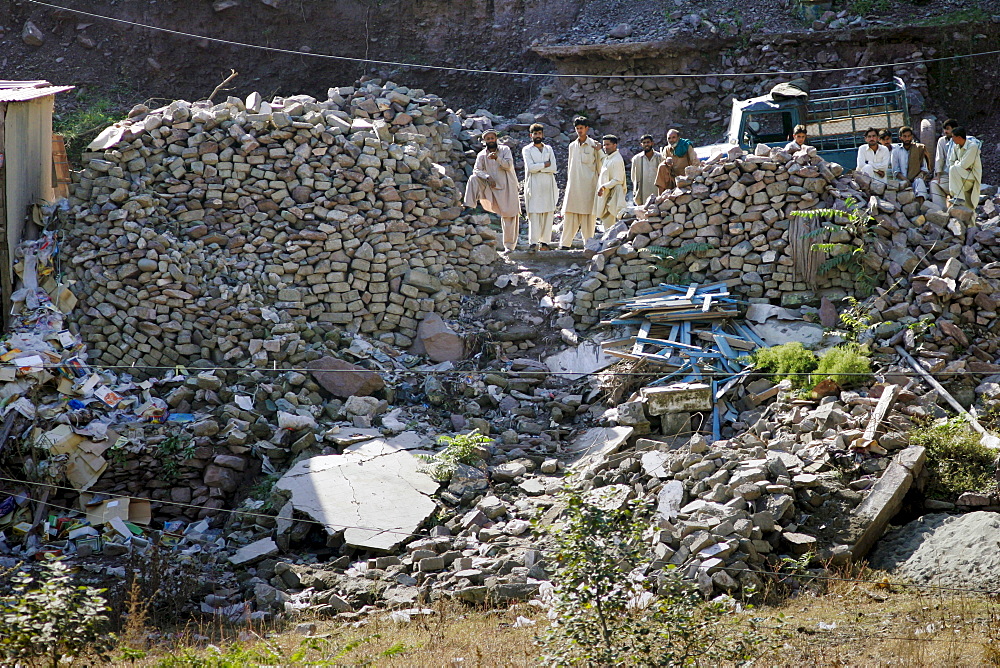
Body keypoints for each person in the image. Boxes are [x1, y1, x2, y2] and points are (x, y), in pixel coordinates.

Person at [464, 129, 521, 252]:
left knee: (510, 215)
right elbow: (476, 170)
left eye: (492, 138)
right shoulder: (482, 155)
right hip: (490, 186)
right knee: (473, 178)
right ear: (485, 141)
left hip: (507, 186)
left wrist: (497, 158)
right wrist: (487, 177)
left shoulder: (505, 150)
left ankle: (509, 247)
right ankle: (468, 206)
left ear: (496, 138)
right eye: (488, 139)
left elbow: (508, 165)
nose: (491, 140)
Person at [560, 116, 602, 249]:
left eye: (581, 128)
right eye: (577, 128)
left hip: (590, 186)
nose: (579, 131)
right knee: (570, 215)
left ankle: (589, 245)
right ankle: (565, 244)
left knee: (589, 218)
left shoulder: (595, 145)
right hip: (574, 187)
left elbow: (601, 166)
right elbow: (570, 167)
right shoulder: (572, 146)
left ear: (587, 129)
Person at [521, 123, 558, 251]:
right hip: (534, 184)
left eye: (539, 133)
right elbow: (531, 168)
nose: (538, 136)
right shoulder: (527, 149)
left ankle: (545, 243)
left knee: (548, 213)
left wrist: (540, 167)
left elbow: (554, 167)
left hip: (548, 185)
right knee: (535, 214)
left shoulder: (549, 149)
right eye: (535, 133)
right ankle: (533, 243)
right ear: (531, 135)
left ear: (543, 135)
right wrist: (545, 165)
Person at [891, 126, 932, 203]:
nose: (907, 139)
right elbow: (895, 171)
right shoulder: (896, 151)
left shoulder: (918, 148)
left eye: (909, 136)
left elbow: (924, 168)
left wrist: (918, 176)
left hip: (915, 179)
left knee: (919, 182)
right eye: (905, 136)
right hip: (901, 180)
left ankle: (921, 207)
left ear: (912, 137)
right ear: (900, 138)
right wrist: (906, 180)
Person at [593, 135, 626, 232]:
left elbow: (618, 180)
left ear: (615, 145)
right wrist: (599, 150)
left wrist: (604, 186)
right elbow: (603, 160)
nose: (605, 147)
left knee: (611, 227)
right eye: (604, 145)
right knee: (607, 226)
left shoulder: (617, 160)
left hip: (612, 198)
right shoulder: (609, 157)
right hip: (606, 196)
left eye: (608, 145)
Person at [655, 128, 699, 194]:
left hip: (686, 178)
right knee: (662, 166)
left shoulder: (686, 146)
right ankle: (660, 196)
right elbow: (663, 163)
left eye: (673, 137)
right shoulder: (667, 149)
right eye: (669, 138)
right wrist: (666, 162)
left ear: (678, 138)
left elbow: (695, 162)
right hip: (674, 178)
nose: (671, 140)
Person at [948, 126, 983, 209]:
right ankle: (957, 197)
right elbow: (951, 162)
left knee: (953, 169)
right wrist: (958, 164)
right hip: (961, 175)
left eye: (953, 136)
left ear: (959, 137)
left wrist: (957, 164)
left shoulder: (972, 146)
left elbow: (964, 165)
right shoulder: (955, 146)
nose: (952, 139)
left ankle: (959, 198)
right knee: (953, 168)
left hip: (971, 177)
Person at [931, 118, 959, 209]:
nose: (945, 131)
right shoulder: (942, 141)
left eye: (948, 129)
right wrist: (938, 174)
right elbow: (939, 158)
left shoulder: (961, 141)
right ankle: (941, 211)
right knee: (934, 183)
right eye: (945, 129)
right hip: (946, 175)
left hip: (960, 175)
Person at [630, 134, 663, 205]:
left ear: (652, 143)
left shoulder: (659, 157)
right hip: (643, 191)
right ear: (641, 144)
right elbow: (633, 177)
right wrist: (635, 190)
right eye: (644, 143)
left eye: (648, 142)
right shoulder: (636, 159)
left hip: (656, 190)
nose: (646, 144)